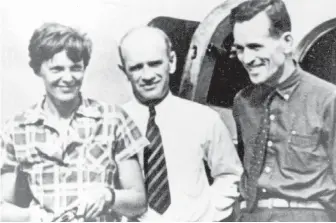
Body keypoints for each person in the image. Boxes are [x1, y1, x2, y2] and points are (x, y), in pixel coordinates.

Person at [0, 22, 148, 222]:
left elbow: (139, 201)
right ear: (38, 70)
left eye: (76, 68)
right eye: (57, 69)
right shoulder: (16, 128)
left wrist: (108, 196)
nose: (68, 78)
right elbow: (3, 207)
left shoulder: (113, 118)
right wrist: (29, 216)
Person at [118, 26, 243, 222]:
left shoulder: (204, 119)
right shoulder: (112, 124)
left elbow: (231, 175)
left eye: (155, 64)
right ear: (124, 71)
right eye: (136, 67)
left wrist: (205, 213)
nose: (148, 75)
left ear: (172, 62)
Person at [230, 0, 336, 221]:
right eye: (240, 49)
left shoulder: (328, 100)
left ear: (286, 42)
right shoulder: (243, 102)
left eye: (255, 46)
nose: (247, 59)